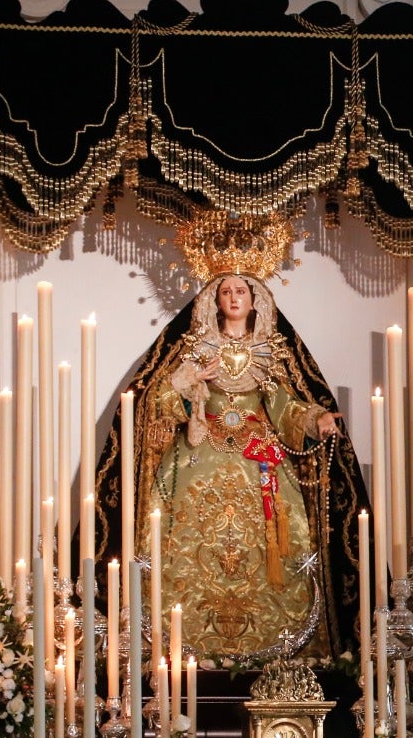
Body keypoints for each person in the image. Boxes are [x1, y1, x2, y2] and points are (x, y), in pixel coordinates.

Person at [96, 272, 370, 660]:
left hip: (258, 458)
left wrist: (315, 419)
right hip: (197, 456)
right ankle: (181, 646)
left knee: (276, 543)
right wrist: (190, 383)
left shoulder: (270, 352)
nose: (234, 297)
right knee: (180, 541)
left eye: (241, 291)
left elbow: (285, 408)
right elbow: (156, 401)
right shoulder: (195, 349)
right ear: (214, 301)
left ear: (256, 300)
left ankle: (276, 647)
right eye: (226, 291)